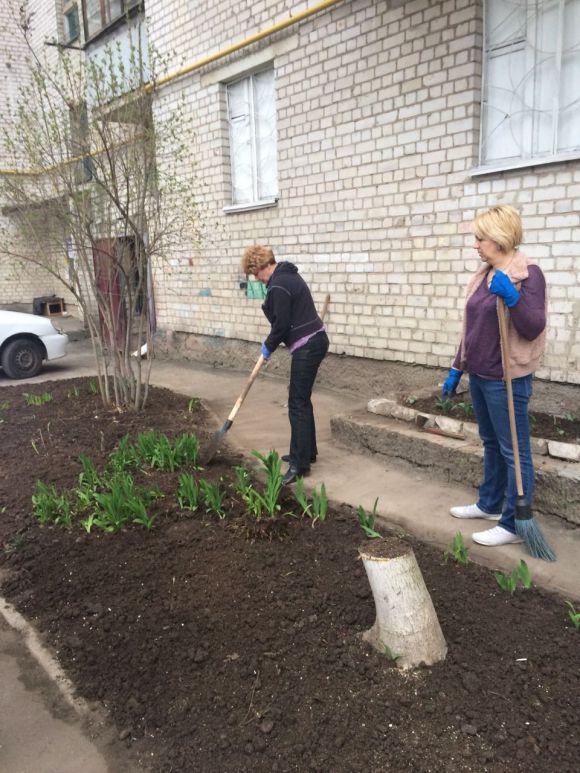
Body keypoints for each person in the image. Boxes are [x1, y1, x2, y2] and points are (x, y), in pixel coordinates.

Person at [442, 205, 547, 547]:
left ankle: (515, 523)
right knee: (490, 443)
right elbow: (470, 327)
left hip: (507, 378)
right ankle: (489, 504)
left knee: (513, 450)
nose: (475, 245)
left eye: (479, 238)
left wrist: (514, 297)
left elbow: (533, 327)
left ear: (499, 239)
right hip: (480, 374)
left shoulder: (527, 274)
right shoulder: (483, 274)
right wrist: (457, 367)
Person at [242, 245, 329, 485]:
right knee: (301, 399)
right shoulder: (287, 275)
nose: (256, 279)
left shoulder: (279, 285)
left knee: (296, 403)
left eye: (255, 274)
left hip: (307, 345)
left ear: (261, 267)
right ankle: (306, 452)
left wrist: (267, 347)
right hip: (316, 340)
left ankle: (299, 465)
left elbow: (281, 326)